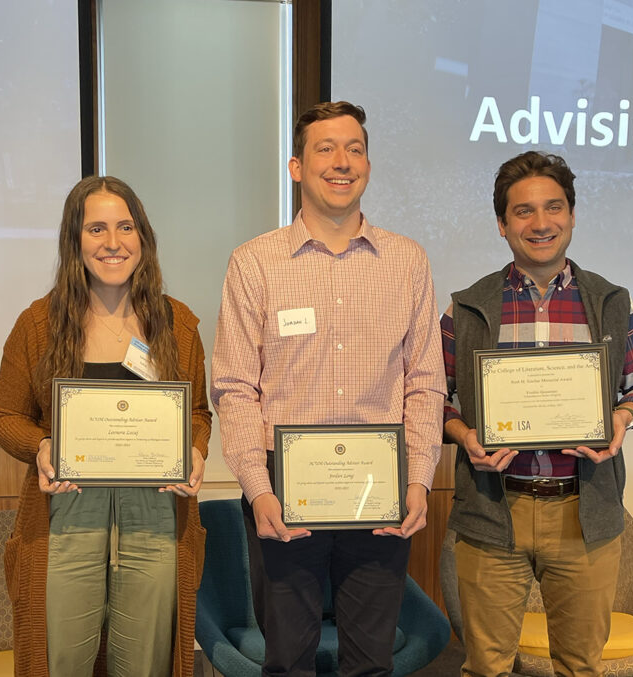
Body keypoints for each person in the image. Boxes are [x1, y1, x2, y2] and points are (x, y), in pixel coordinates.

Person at [210, 101, 445, 676]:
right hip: (282, 495)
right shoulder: (254, 263)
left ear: (368, 164)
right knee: (287, 661)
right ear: (296, 166)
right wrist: (258, 490)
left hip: (380, 493)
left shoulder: (407, 261)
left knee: (371, 663)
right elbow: (235, 388)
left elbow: (424, 383)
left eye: (355, 149)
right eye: (325, 148)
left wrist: (419, 477)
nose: (342, 162)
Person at [442, 151, 633, 677]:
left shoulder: (612, 302)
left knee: (579, 666)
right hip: (494, 511)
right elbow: (429, 397)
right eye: (523, 212)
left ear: (572, 215)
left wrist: (621, 418)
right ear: (502, 224)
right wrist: (463, 434)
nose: (540, 223)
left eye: (554, 208)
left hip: (584, 514)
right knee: (486, 668)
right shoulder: (467, 307)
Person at [0, 176, 212, 677]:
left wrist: (195, 451)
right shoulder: (38, 323)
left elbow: (197, 412)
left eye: (125, 227)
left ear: (143, 237)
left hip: (156, 514)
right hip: (65, 515)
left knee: (145, 664)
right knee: (60, 659)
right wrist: (42, 446)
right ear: (75, 241)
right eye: (96, 229)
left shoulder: (178, 324)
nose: (113, 242)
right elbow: (5, 416)